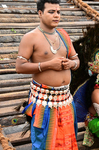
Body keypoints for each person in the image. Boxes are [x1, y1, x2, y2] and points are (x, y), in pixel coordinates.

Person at [15, 0, 79, 149]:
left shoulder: (63, 35)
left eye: (58, 12)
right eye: (51, 12)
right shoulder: (31, 37)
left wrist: (72, 64)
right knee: (44, 142)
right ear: (40, 13)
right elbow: (19, 66)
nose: (56, 15)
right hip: (44, 103)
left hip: (65, 100)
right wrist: (48, 65)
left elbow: (76, 59)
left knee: (68, 142)